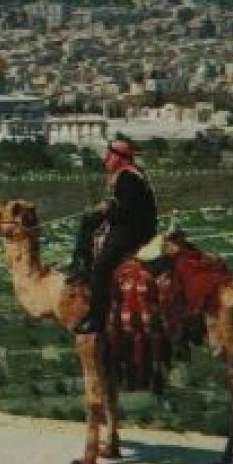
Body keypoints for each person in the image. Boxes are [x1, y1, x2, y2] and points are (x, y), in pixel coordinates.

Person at [71, 138, 159, 335]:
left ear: (119, 158)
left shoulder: (129, 178)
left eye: (109, 156)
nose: (106, 160)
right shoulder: (127, 176)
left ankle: (97, 319)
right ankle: (80, 262)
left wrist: (106, 210)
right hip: (130, 226)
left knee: (102, 268)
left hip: (133, 231)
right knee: (88, 220)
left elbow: (126, 211)